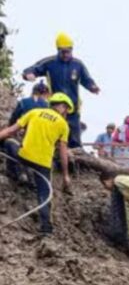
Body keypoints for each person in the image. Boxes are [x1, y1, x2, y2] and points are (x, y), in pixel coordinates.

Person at [0, 93, 73, 234]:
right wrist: (65, 175)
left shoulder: (34, 113)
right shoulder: (63, 124)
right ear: (63, 107)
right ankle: (46, 228)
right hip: (43, 164)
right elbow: (63, 152)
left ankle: (18, 172)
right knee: (44, 194)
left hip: (24, 156)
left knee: (9, 143)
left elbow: (10, 131)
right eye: (67, 110)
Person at [22, 33, 100, 149]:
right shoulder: (50, 62)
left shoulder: (78, 65)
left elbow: (87, 79)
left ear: (72, 49)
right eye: (62, 52)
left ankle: (75, 163)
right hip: (55, 108)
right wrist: (29, 74)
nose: (65, 55)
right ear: (58, 50)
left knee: (74, 141)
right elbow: (32, 69)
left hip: (72, 109)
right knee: (54, 138)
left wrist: (92, 87)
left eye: (68, 51)